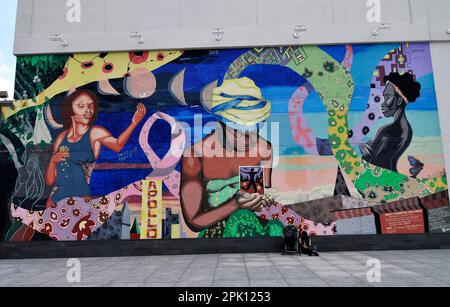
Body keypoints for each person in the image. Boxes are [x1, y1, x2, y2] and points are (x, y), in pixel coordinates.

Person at [180, 77, 277, 237]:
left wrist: (263, 201)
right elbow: (194, 221)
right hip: (217, 234)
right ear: (220, 126)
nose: (248, 140)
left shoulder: (262, 149)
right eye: (238, 131)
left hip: (253, 228)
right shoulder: (195, 156)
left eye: (255, 129)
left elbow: (260, 201)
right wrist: (235, 204)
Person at [45, 89, 147, 207]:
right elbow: (50, 182)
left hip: (80, 201)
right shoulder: (61, 138)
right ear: (70, 109)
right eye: (81, 106)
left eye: (91, 106)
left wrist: (134, 123)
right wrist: (52, 161)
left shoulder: (94, 133)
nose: (88, 110)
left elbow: (118, 145)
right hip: (54, 201)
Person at [360, 72, 421, 172]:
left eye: (387, 97)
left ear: (399, 101)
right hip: (390, 178)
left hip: (382, 181)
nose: (383, 104)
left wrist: (362, 148)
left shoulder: (388, 131)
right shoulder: (404, 129)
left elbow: (372, 161)